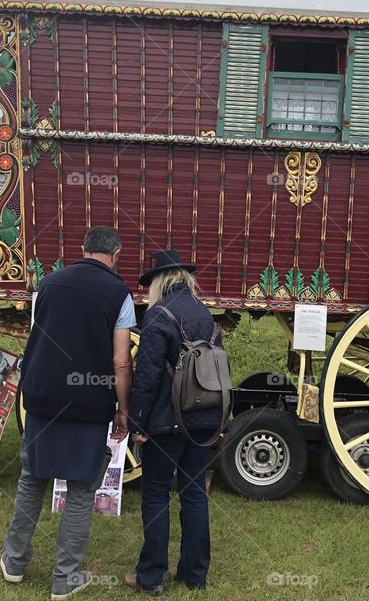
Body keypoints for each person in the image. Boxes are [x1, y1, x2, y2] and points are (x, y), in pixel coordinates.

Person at [0, 227, 134, 601]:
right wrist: (124, 410)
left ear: (83, 249)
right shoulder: (119, 293)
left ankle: (13, 562)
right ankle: (65, 578)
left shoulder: (48, 285)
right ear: (117, 254)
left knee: (32, 479)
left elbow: (36, 338)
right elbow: (121, 361)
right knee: (80, 491)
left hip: (42, 396)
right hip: (90, 404)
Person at [126, 250, 224, 594]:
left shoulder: (158, 316)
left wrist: (136, 422)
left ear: (159, 282)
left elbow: (148, 377)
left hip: (166, 424)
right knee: (194, 492)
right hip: (203, 421)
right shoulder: (205, 315)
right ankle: (194, 575)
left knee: (154, 493)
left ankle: (150, 577)